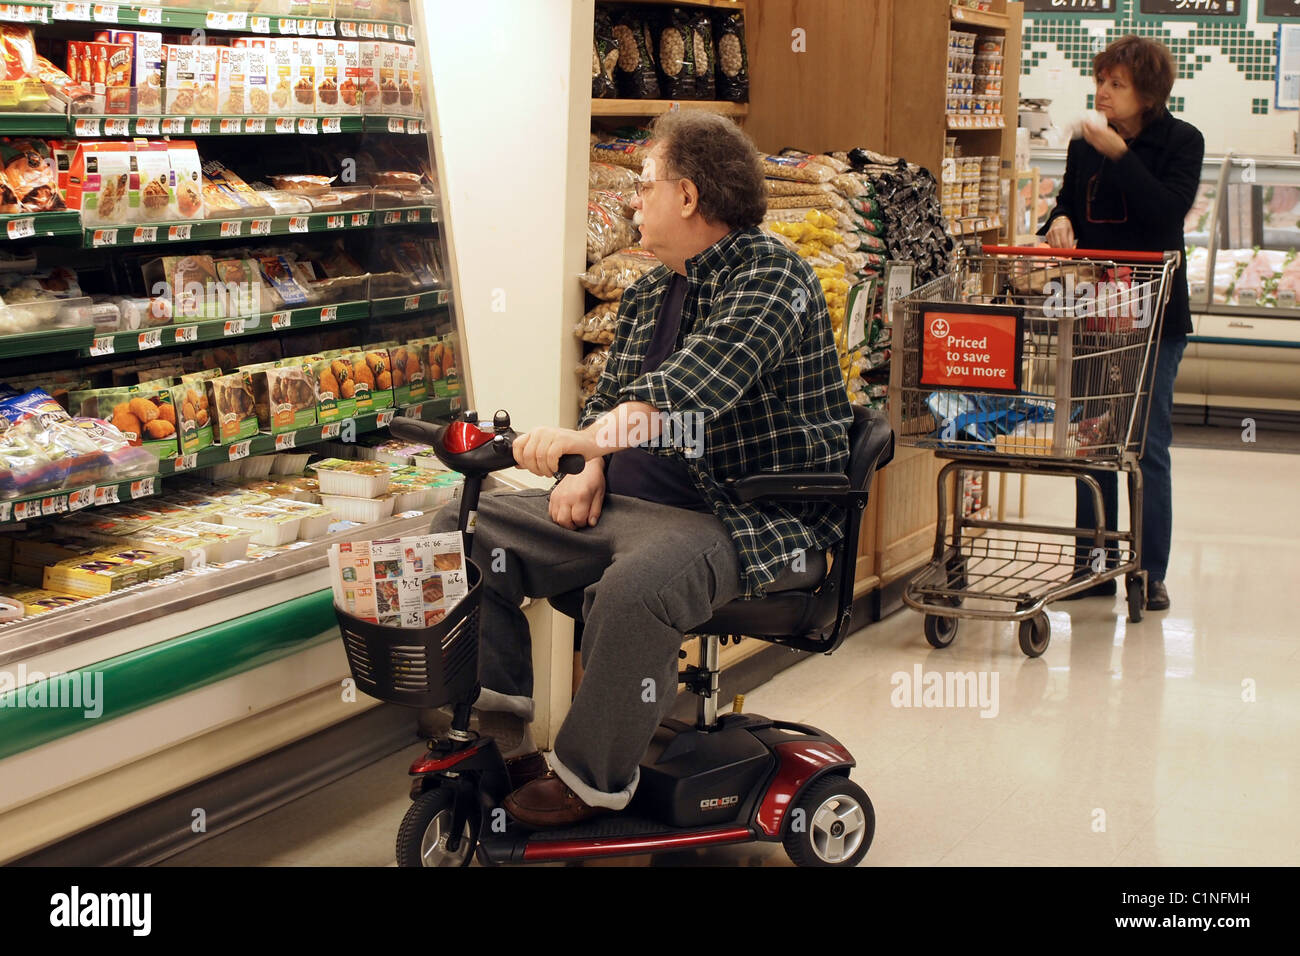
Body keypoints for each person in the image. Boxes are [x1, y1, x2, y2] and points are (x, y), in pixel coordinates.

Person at [426, 111, 853, 828]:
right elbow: (614, 397)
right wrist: (586, 469)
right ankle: (500, 738)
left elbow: (692, 387)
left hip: (742, 516)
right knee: (459, 527)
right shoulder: (654, 288)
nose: (633, 199)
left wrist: (587, 442)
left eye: (645, 185)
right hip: (631, 504)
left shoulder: (774, 276)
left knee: (636, 587)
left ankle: (591, 783)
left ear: (687, 196)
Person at [1041, 35, 1204, 611]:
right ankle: (1093, 563)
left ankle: (1148, 570)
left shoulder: (1182, 141)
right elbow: (1063, 203)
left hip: (1155, 313)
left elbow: (1165, 213)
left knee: (1144, 441)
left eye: (1117, 84)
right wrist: (1058, 221)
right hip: (1092, 310)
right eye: (1100, 81)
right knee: (1092, 439)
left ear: (1148, 93)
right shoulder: (1085, 145)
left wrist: (1120, 155)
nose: (1103, 93)